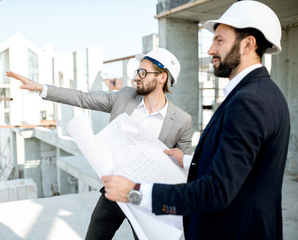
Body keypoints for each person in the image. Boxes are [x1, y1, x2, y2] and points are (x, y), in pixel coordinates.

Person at [102, 1, 291, 240]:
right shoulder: (264, 92)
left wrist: (134, 192)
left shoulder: (249, 101)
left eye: (219, 40)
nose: (211, 49)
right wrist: (188, 160)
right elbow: (243, 168)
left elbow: (216, 191)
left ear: (248, 44)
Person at [6, 47, 193, 240]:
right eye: (137, 72)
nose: (137, 77)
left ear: (162, 77)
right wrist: (42, 88)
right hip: (113, 192)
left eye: (142, 72)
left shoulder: (181, 120)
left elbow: (183, 174)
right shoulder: (125, 97)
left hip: (143, 198)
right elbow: (83, 98)